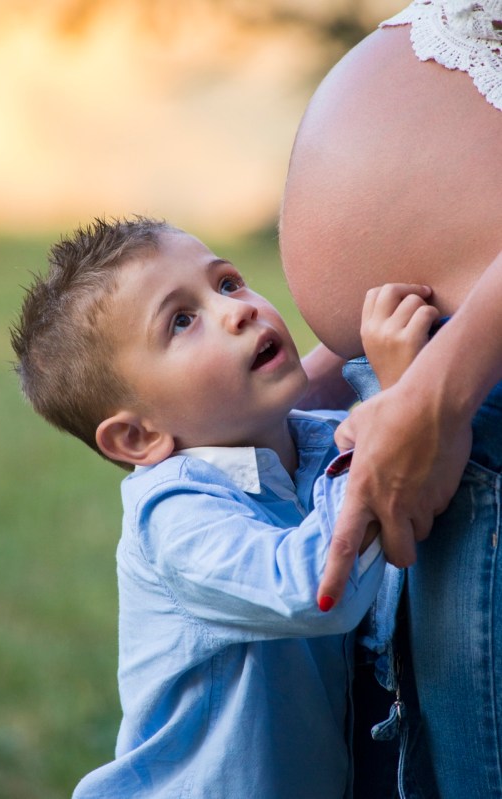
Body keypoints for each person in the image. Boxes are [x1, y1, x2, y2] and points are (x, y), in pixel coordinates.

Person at [10, 216, 436, 798]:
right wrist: (399, 400)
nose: (238, 311)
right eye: (181, 321)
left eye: (228, 283)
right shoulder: (174, 516)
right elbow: (315, 590)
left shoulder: (316, 442)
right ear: (137, 437)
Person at [280, 1, 502, 796]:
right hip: (425, 392)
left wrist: (436, 393)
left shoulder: (442, 396)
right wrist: (316, 379)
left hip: (466, 403)